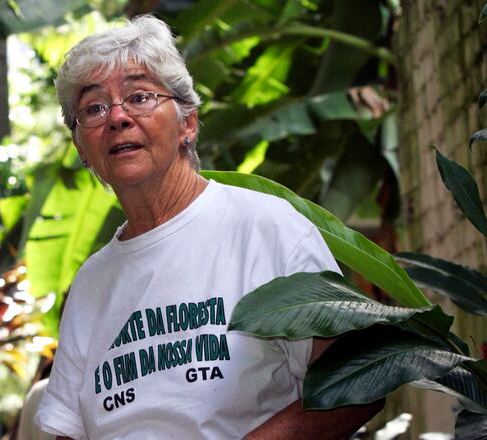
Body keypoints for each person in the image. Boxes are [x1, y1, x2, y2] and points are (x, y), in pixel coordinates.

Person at [34, 15, 383, 440]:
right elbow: (68, 432)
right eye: (94, 108)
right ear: (81, 148)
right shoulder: (92, 282)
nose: (118, 117)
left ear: (188, 123)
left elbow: (360, 382)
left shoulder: (267, 228)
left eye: (139, 96)